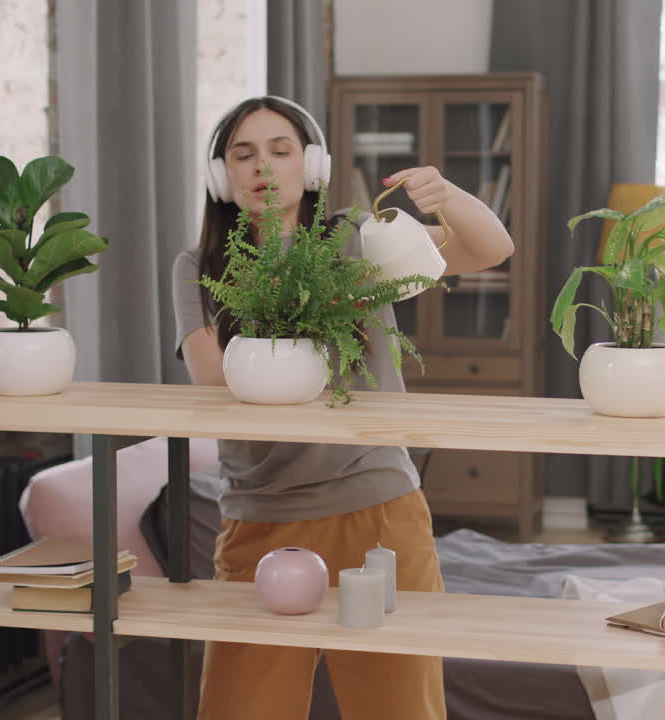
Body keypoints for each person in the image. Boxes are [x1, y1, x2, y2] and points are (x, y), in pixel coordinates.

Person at [171, 95, 513, 720]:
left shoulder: (358, 237)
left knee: (400, 709)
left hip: (376, 509)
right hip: (260, 519)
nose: (262, 168)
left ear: (314, 165)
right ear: (221, 175)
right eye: (243, 154)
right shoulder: (198, 267)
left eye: (281, 150)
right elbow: (214, 375)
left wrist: (449, 198)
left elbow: (488, 248)